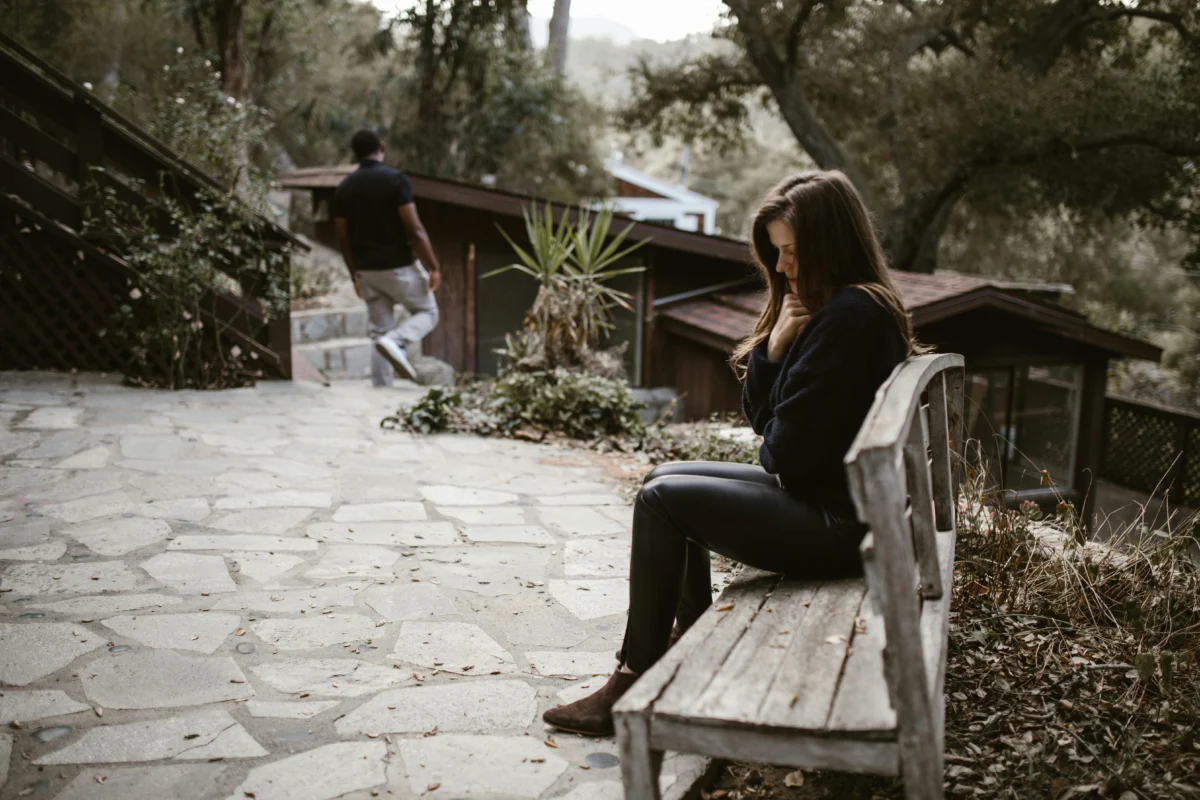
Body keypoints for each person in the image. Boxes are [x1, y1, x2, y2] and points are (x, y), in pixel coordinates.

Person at [540, 170, 923, 736]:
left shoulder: (849, 318)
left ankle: (632, 676)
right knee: (662, 477)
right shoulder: (850, 307)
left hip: (840, 525)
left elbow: (783, 454)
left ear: (831, 244)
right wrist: (772, 350)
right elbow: (773, 432)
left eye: (792, 251)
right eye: (777, 253)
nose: (785, 267)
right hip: (845, 503)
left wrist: (777, 417)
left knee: (663, 501)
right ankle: (686, 637)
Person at [333, 129, 442, 386]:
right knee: (428, 312)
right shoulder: (396, 181)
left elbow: (343, 239)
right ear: (381, 146)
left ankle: (382, 390)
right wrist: (433, 267)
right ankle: (397, 341)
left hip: (367, 271)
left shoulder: (344, 189)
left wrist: (354, 276)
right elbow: (414, 229)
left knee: (379, 331)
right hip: (399, 267)